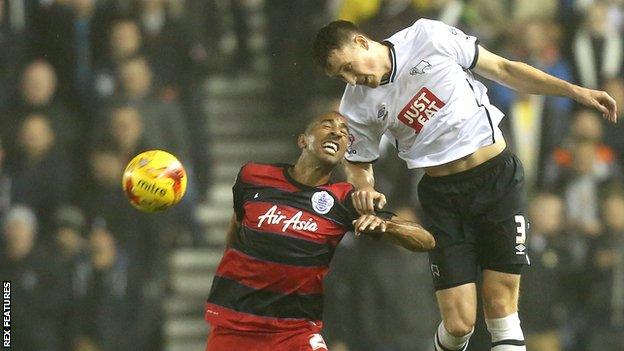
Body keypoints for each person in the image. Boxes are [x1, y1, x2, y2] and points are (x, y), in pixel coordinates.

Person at [313, 19, 617, 351]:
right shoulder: (356, 104)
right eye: (340, 76)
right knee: (459, 324)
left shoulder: (428, 37)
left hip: (497, 177)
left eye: (347, 68)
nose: (350, 79)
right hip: (442, 196)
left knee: (501, 306)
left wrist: (574, 91)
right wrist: (364, 186)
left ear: (360, 42)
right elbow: (358, 160)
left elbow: (503, 68)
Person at [204, 111, 435, 351]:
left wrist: (387, 226)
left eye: (345, 133)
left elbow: (425, 241)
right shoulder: (253, 176)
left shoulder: (345, 200)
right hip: (236, 325)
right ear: (302, 140)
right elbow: (235, 236)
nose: (337, 132)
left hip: (295, 331)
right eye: (327, 125)